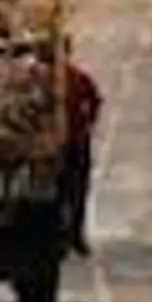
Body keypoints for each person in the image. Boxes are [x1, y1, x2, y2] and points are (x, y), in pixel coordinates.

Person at [59, 59, 104, 255]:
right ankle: (73, 236)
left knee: (69, 190)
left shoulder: (76, 77)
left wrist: (87, 124)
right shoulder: (77, 76)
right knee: (76, 190)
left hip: (69, 143)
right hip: (74, 141)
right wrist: (88, 123)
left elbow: (94, 100)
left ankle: (73, 235)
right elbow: (95, 101)